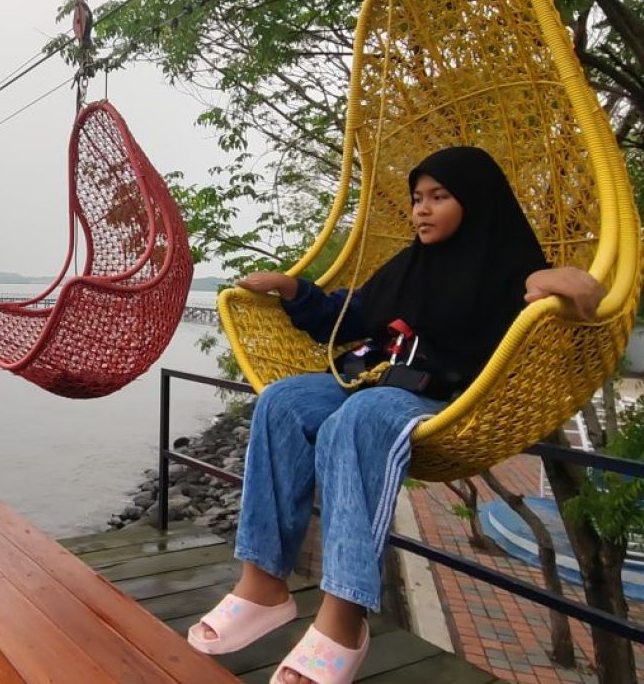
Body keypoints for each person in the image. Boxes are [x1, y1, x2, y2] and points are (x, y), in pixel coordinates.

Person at [186, 146, 603, 684]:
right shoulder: (409, 266)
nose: (421, 211)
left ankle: (345, 617)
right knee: (281, 401)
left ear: (475, 202)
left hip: (447, 399)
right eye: (416, 199)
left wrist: (562, 283)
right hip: (373, 378)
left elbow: (577, 308)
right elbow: (347, 315)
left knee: (357, 418)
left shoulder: (511, 269)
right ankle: (262, 585)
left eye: (439, 197)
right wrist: (294, 290)